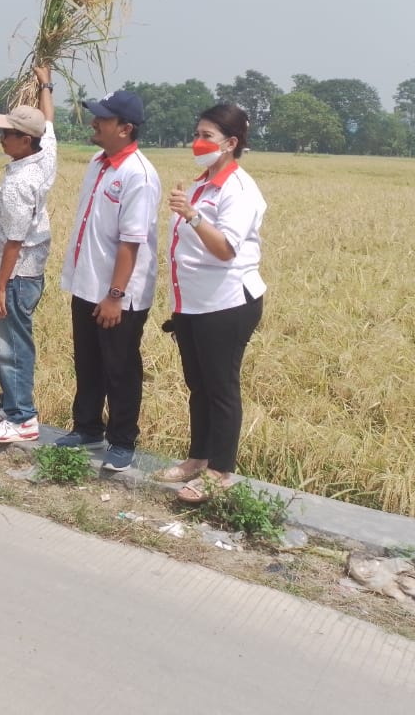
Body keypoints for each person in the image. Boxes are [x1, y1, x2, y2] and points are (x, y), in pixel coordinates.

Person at [158, 103, 267, 503]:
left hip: (226, 303)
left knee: (221, 388)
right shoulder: (203, 183)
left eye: (208, 136)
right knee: (198, 386)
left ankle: (220, 470)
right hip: (192, 303)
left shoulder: (238, 190)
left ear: (231, 144)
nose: (198, 142)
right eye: (197, 133)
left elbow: (225, 249)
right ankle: (197, 458)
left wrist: (191, 215)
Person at [57, 89, 161, 472]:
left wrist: (115, 295)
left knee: (120, 367)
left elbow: (131, 242)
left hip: (120, 294)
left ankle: (121, 439)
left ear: (126, 128)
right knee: (88, 361)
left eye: (103, 118)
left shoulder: (140, 175)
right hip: (87, 283)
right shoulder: (98, 163)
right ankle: (86, 427)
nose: (94, 122)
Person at [0, 66, 58, 443]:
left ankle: (23, 417)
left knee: (13, 345)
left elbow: (13, 241)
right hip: (30, 273)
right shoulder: (44, 157)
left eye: (7, 133)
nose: (1, 137)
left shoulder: (19, 184)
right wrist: (45, 85)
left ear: (25, 140)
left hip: (17, 274)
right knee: (7, 341)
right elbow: (49, 125)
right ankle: (10, 404)